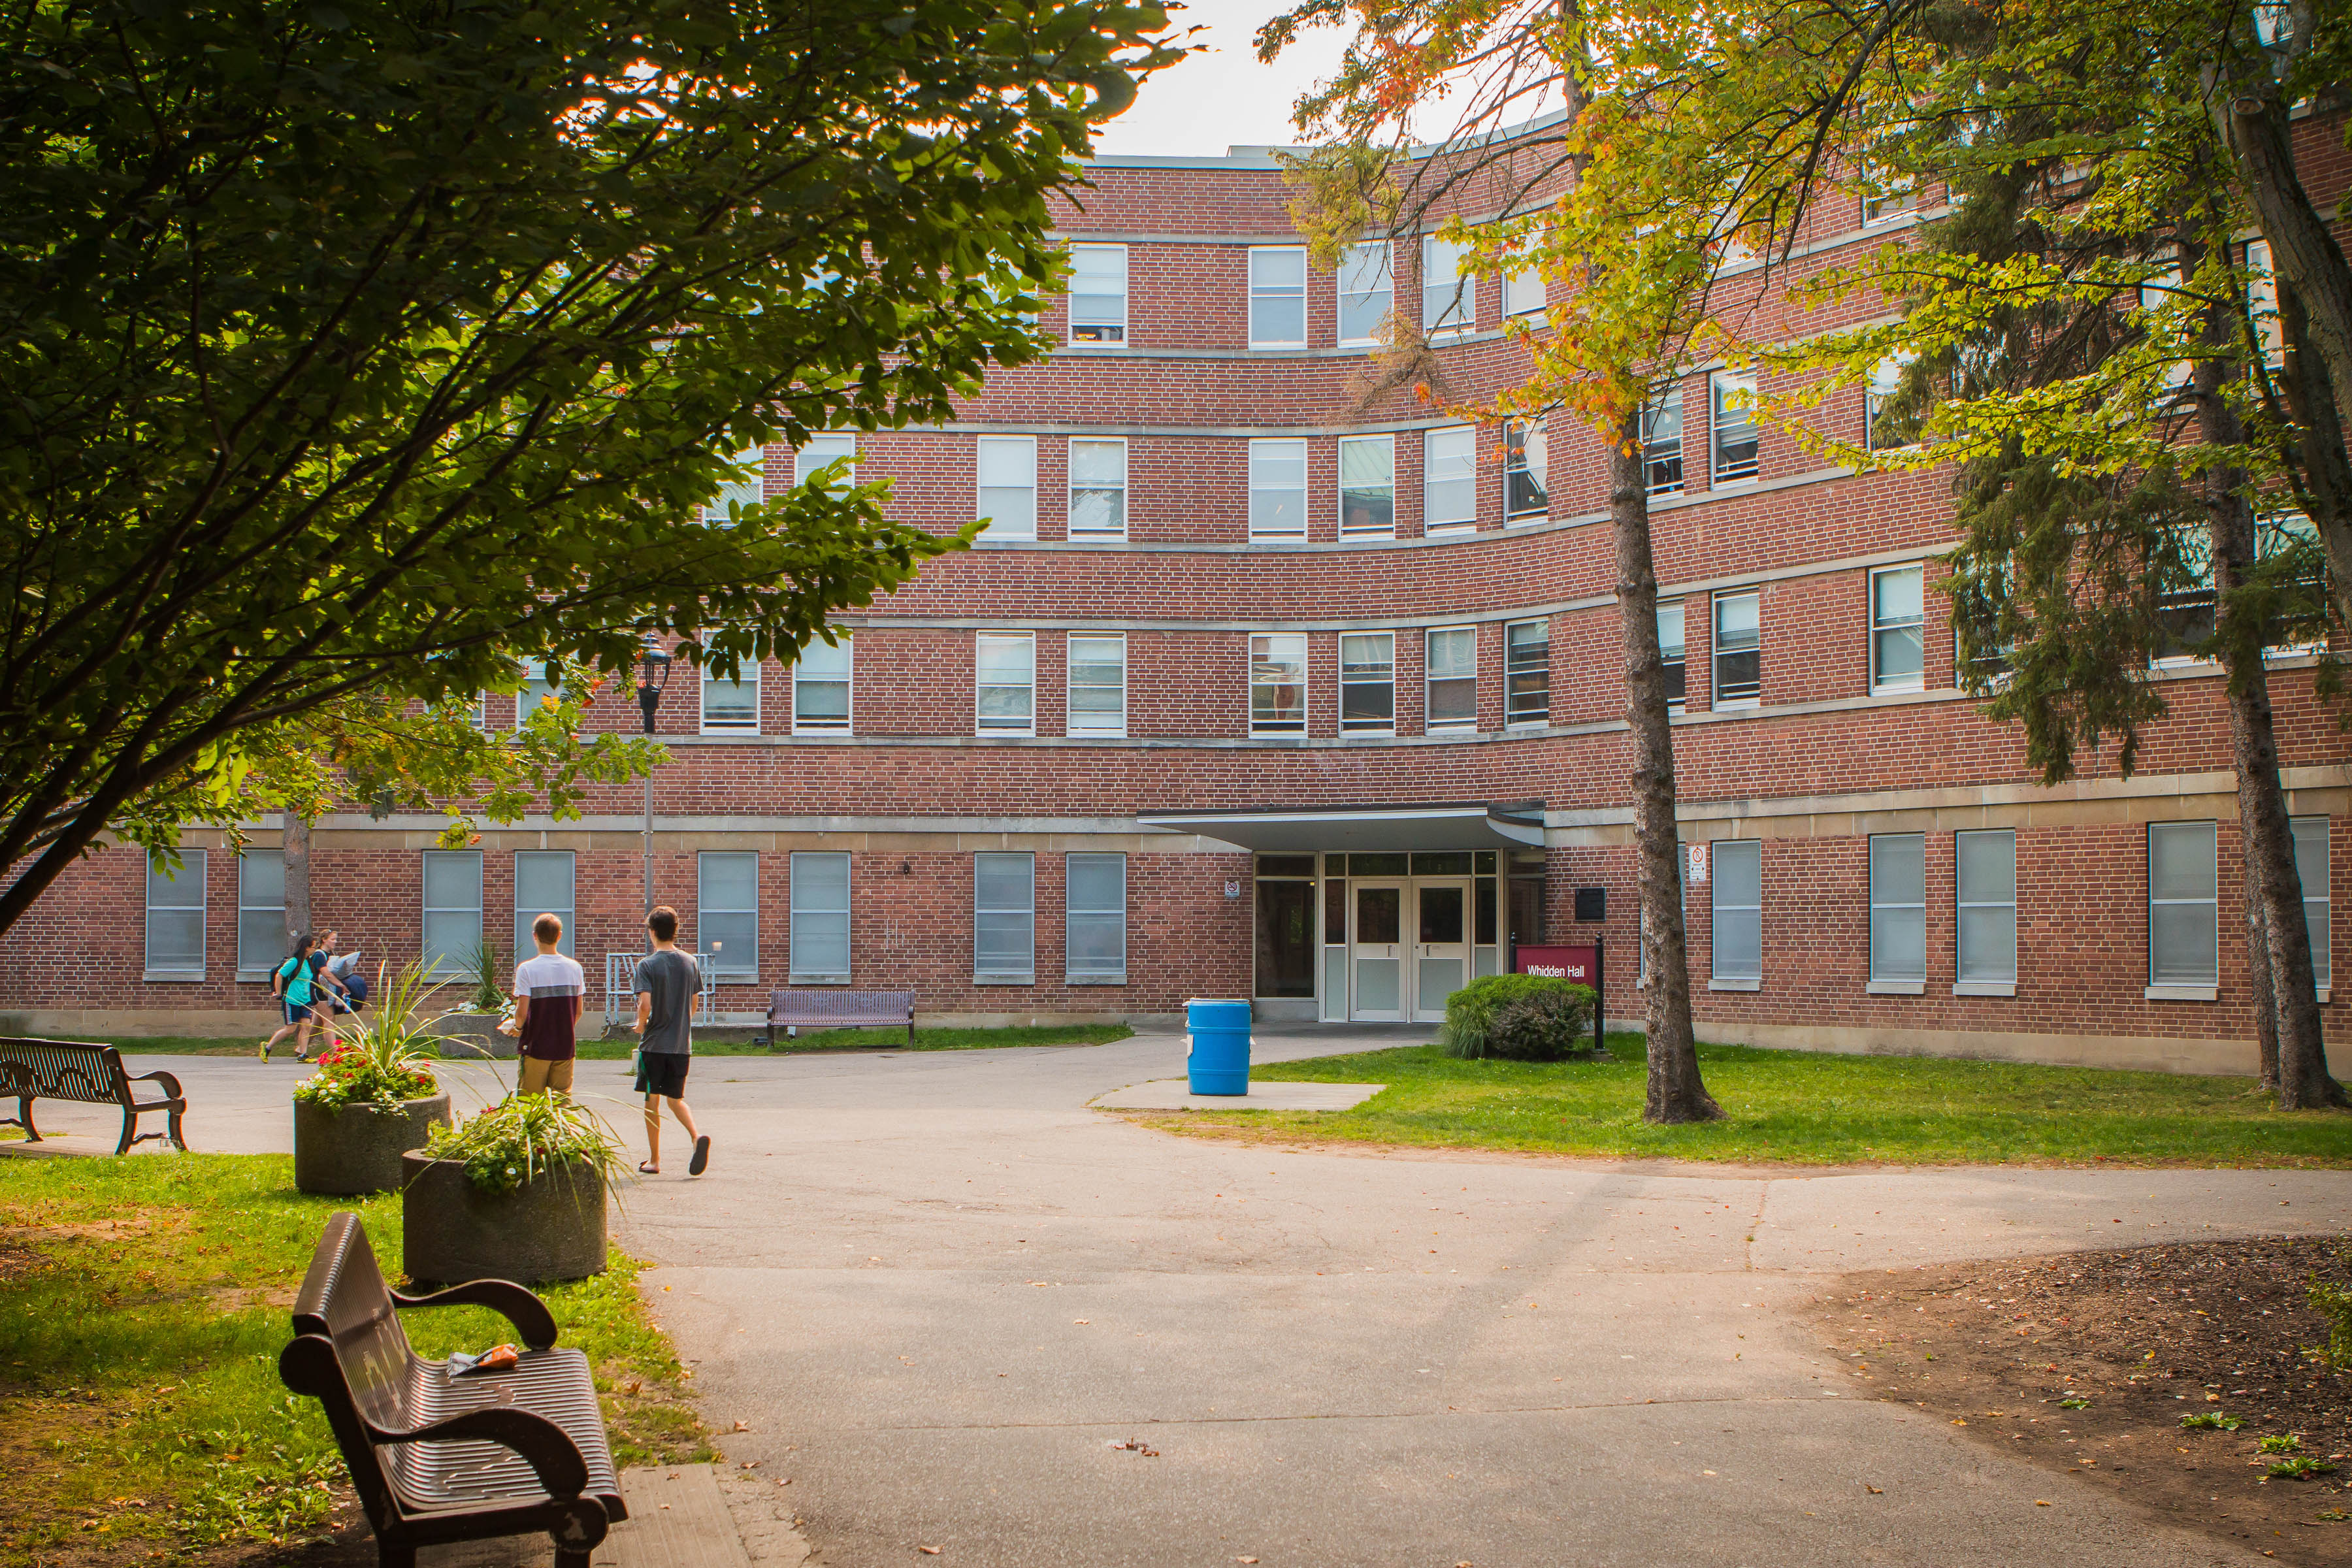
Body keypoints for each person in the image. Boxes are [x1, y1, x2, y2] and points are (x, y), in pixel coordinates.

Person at [630, 906, 709, 1176]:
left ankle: (654, 1160)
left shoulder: (647, 965)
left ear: (652, 932)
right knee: (676, 1099)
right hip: (680, 1045)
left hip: (654, 1046)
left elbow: (645, 1004)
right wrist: (681, 1021)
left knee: (652, 1102)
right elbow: (694, 1001)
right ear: (676, 930)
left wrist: (641, 1026)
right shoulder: (690, 962)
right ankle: (696, 1137)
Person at [504, 913, 585, 1096]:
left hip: (535, 1046)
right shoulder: (575, 968)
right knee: (561, 1104)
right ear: (559, 935)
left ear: (535, 936)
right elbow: (578, 1011)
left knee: (530, 1102)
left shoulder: (526, 969)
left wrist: (517, 1028)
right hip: (565, 1046)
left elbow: (522, 1012)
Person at [259, 934, 327, 1061]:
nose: (315, 949)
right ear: (306, 948)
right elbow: (280, 975)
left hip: (305, 1000)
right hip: (292, 1000)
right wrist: (279, 993)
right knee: (290, 1029)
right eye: (313, 947)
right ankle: (267, 1047)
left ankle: (303, 1055)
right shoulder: (294, 961)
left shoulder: (308, 962)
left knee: (306, 1026)